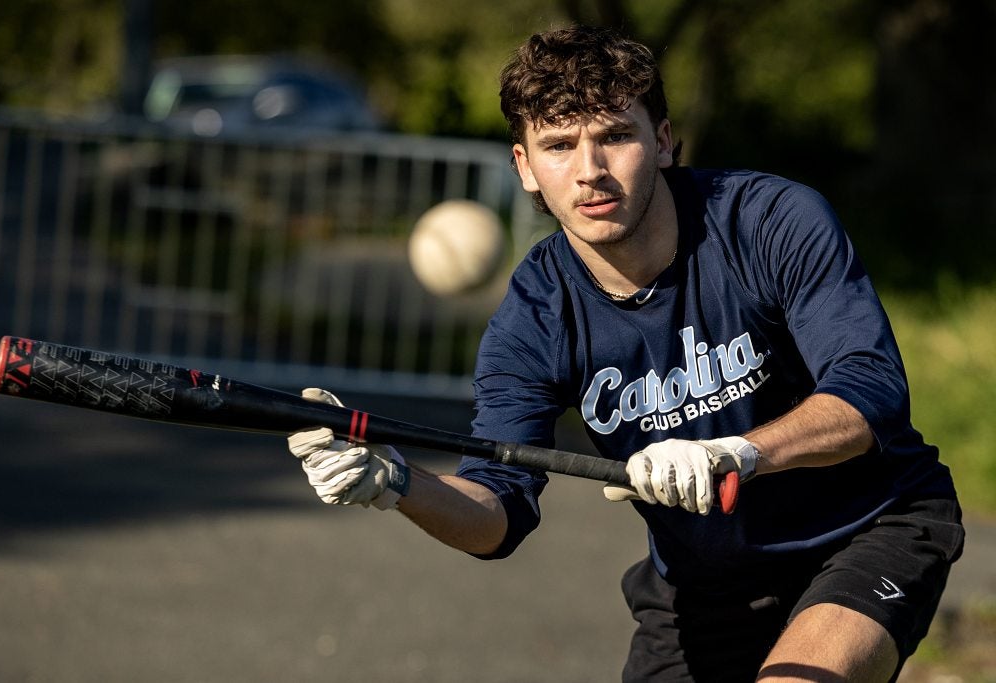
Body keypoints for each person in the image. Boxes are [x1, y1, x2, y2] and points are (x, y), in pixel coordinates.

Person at [287, 25, 964, 681]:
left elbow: (869, 391)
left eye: (614, 136)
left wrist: (735, 453)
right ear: (525, 167)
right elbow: (498, 512)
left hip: (869, 526)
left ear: (662, 141)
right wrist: (399, 482)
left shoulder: (767, 221)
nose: (590, 171)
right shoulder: (533, 320)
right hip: (705, 580)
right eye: (558, 145)